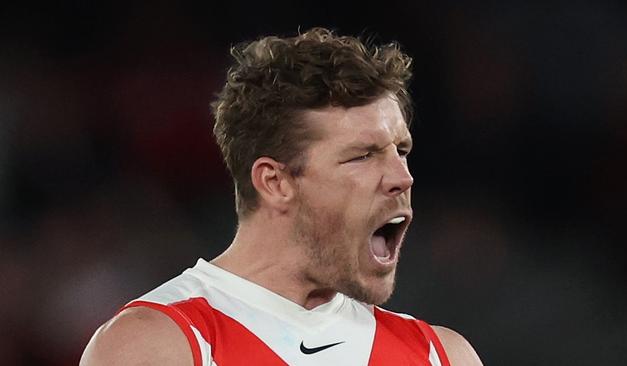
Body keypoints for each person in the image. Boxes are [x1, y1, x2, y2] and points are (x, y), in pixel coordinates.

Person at [80, 27, 483, 366]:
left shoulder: (440, 355)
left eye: (402, 151)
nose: (402, 177)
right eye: (363, 156)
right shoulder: (160, 346)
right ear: (274, 182)